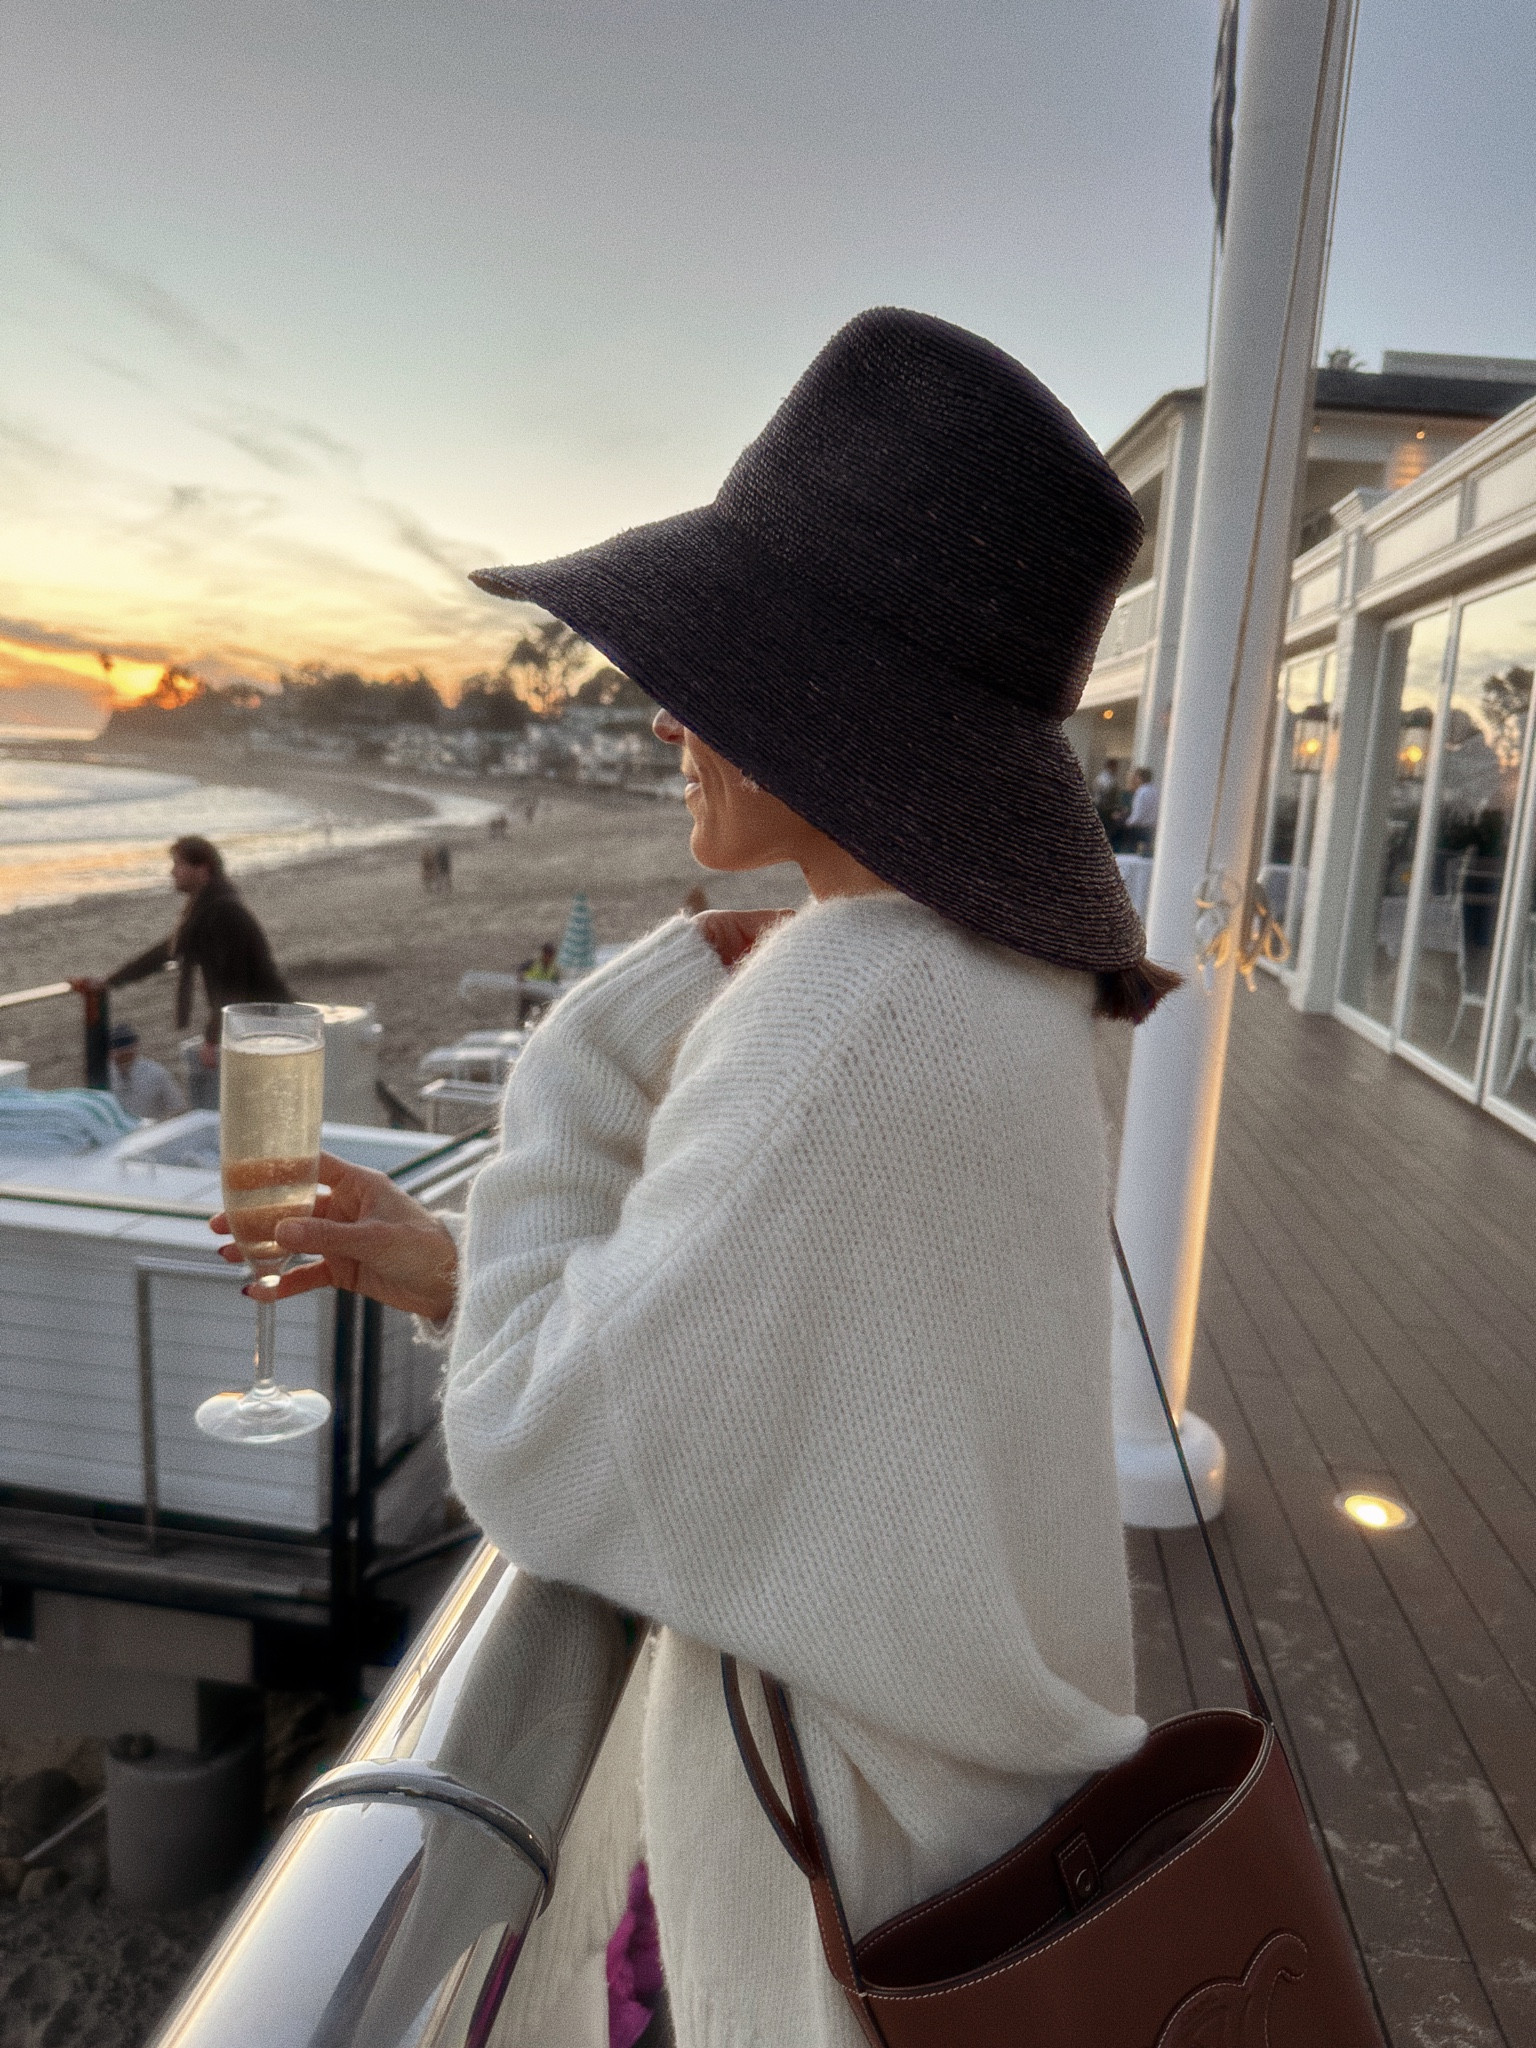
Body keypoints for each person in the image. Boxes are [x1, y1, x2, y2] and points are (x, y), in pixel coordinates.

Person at [212, 310, 1177, 2048]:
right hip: (972, 1827)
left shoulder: (851, 1014)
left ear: (828, 705)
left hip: (850, 1891)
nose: (668, 714)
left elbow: (538, 1451)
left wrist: (589, 1046)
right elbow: (813, 1367)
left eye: (710, 669)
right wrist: (456, 1273)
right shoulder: (1000, 986)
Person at [72, 836, 293, 1109]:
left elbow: (232, 983)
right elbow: (166, 952)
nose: (172, 872)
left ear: (202, 868)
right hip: (256, 1019)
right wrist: (110, 981)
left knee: (256, 1103)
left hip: (266, 1021)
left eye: (178, 864)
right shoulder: (207, 906)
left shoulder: (222, 911)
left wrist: (213, 1037)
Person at [106, 1023, 186, 1122]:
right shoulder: (103, 1077)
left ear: (135, 1046)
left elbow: (177, 1108)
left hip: (152, 1129)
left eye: (126, 1051)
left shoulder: (156, 1073)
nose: (122, 1054)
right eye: (118, 1051)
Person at [1123, 764, 1159, 853]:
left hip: (1139, 828)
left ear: (1140, 778)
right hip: (1152, 828)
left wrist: (1127, 823)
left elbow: (1137, 815)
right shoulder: (1155, 790)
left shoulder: (1141, 792)